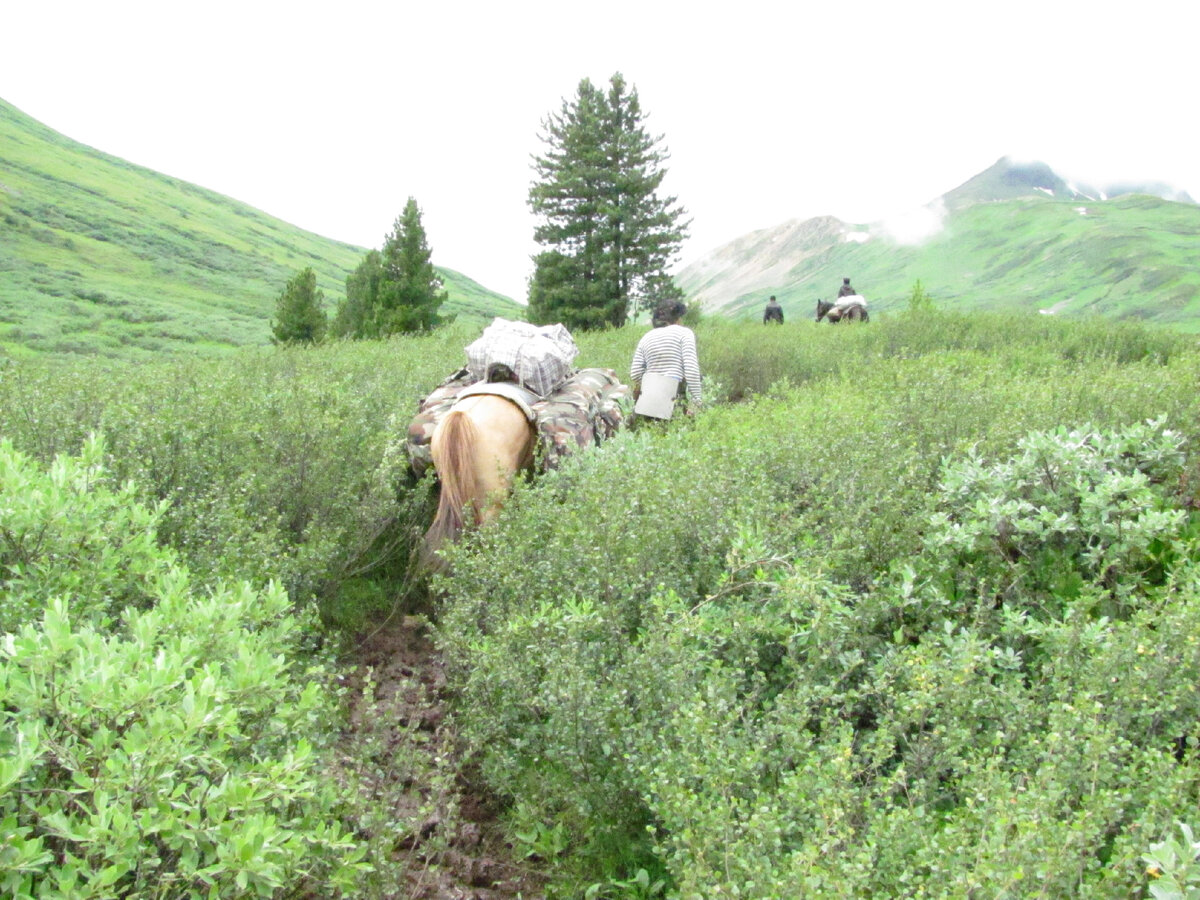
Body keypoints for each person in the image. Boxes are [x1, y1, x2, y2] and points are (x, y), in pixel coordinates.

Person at [630, 298, 701, 419]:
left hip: (648, 402)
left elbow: (635, 373)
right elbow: (691, 369)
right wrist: (697, 401)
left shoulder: (646, 337)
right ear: (678, 318)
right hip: (674, 398)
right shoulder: (685, 333)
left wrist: (652, 384)